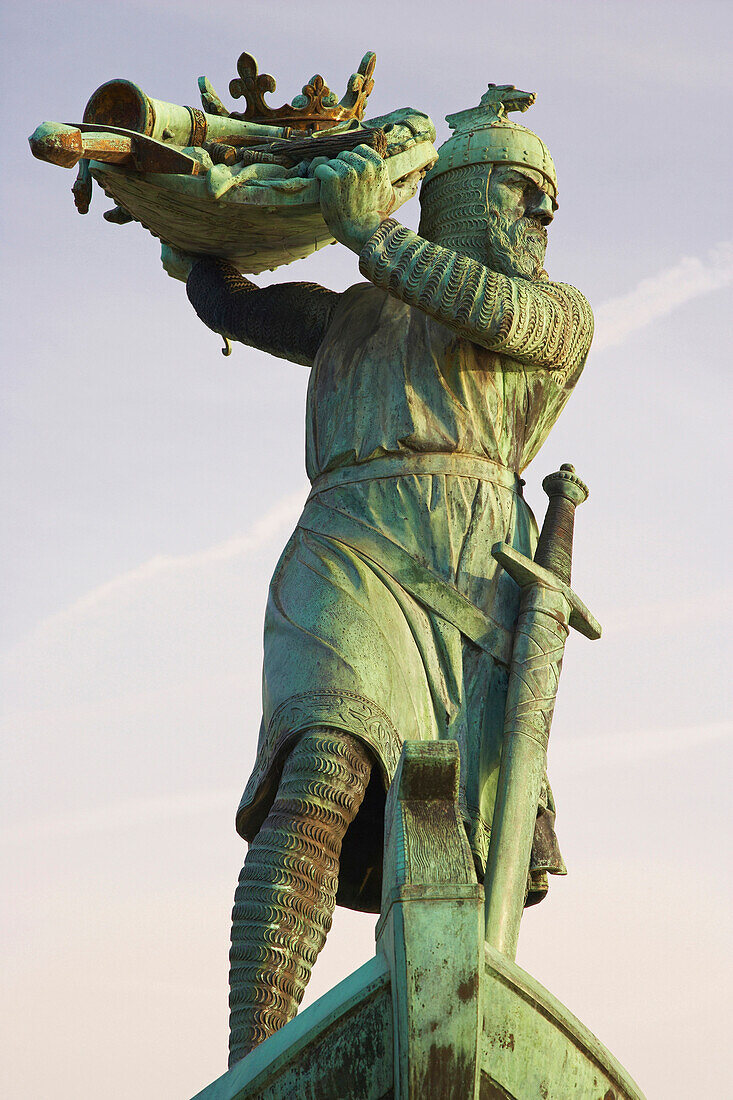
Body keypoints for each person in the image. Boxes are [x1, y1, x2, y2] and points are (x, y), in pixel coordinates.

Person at [183, 84, 594, 1065]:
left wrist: (366, 231)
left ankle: (433, 1042)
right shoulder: (350, 317)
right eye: (517, 191)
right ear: (455, 198)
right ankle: (256, 1059)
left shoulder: (553, 314)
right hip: (350, 550)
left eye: (546, 198)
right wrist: (194, 219)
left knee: (441, 828)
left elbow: (474, 303)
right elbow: (225, 300)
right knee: (321, 763)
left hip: (472, 578)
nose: (539, 215)